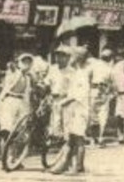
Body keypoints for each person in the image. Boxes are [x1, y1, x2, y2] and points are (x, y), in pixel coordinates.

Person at [49, 44, 92, 174]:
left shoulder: (81, 74)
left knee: (78, 138)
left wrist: (64, 101)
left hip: (79, 109)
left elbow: (78, 94)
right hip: (74, 108)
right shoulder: (77, 73)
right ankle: (72, 165)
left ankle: (77, 166)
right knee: (72, 137)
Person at [85, 46, 115, 146]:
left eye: (107, 56)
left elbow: (113, 83)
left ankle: (100, 138)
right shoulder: (95, 65)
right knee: (94, 116)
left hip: (102, 92)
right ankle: (95, 138)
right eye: (105, 56)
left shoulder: (110, 68)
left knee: (102, 116)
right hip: (95, 90)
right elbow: (87, 77)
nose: (106, 58)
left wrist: (109, 93)